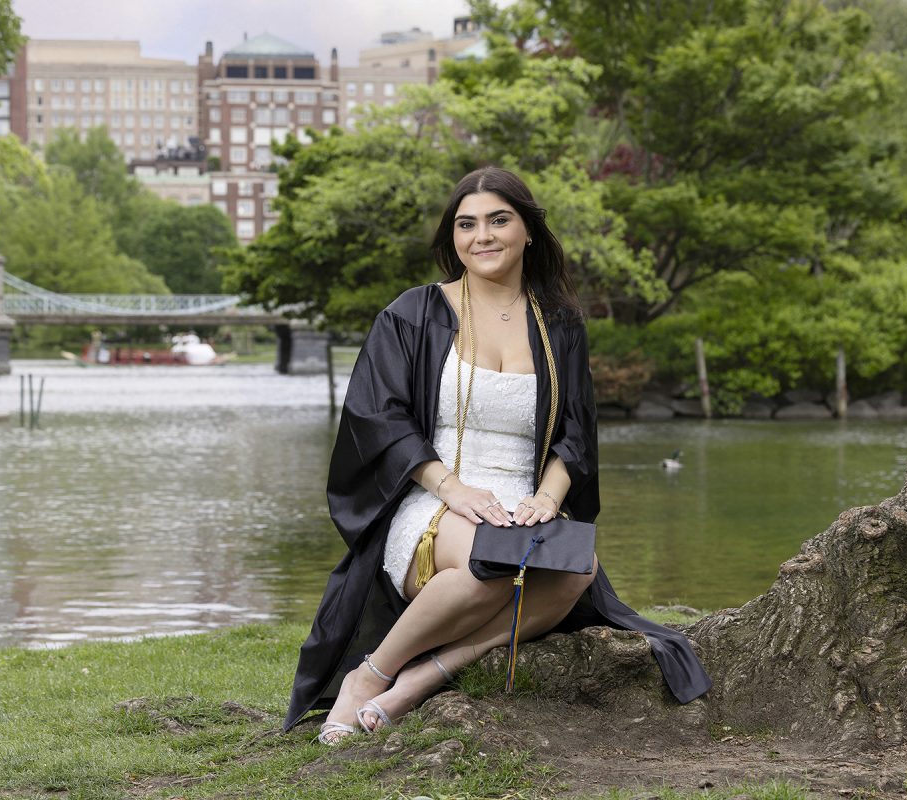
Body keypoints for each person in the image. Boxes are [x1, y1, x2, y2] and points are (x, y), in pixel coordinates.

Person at [283, 167, 712, 742]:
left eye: (497, 220)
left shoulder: (558, 323)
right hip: (436, 493)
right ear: (452, 238)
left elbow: (578, 433)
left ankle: (425, 677)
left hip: (524, 499)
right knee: (494, 563)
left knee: (575, 571)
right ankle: (370, 676)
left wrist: (548, 497)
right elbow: (378, 417)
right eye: (467, 224)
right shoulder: (415, 314)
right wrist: (454, 490)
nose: (481, 235)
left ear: (528, 231)